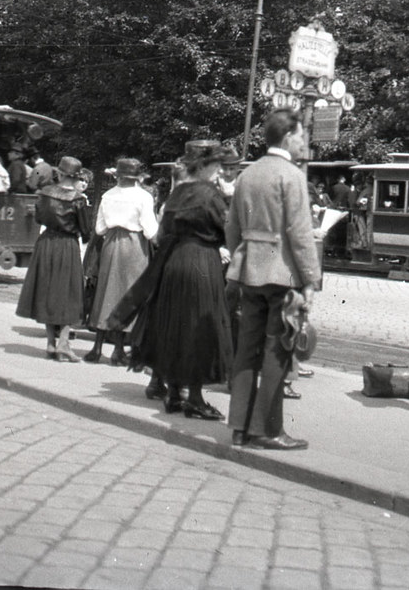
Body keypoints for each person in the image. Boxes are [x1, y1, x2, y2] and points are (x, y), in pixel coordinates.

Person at [226, 110, 321, 450]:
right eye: (300, 136)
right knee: (277, 351)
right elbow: (300, 234)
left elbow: (232, 228)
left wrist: (244, 255)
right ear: (287, 137)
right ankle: (267, 429)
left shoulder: (247, 175)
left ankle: (238, 426)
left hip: (249, 272)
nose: (303, 142)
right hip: (282, 275)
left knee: (246, 351)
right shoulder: (292, 176)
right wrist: (310, 279)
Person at [130, 140, 232, 419]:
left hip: (173, 263)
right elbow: (226, 230)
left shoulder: (178, 194)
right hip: (201, 263)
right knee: (200, 327)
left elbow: (163, 232)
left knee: (176, 325)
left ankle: (174, 394)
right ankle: (196, 400)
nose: (220, 170)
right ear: (207, 166)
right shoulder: (210, 194)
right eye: (217, 164)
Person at [83, 158, 158, 365]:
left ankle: (96, 348)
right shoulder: (144, 196)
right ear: (136, 178)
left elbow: (99, 228)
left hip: (111, 244)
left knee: (105, 292)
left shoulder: (108, 195)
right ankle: (118, 350)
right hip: (134, 246)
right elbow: (150, 229)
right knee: (128, 295)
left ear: (117, 176)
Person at [16, 156, 91, 361]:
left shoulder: (45, 193)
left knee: (47, 289)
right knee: (68, 292)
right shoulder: (78, 199)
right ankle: (64, 344)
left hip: (46, 243)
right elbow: (86, 231)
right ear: (76, 176)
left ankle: (50, 344)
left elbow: (39, 218)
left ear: (59, 173)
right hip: (67, 245)